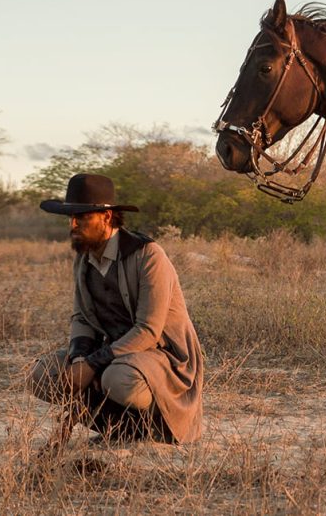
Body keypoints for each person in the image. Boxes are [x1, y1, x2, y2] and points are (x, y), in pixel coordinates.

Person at [29, 173, 203, 449]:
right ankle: (118, 429)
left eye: (82, 217)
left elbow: (148, 330)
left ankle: (151, 429)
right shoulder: (83, 258)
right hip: (111, 355)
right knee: (42, 375)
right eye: (71, 217)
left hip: (164, 358)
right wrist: (78, 359)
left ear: (107, 217)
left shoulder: (148, 255)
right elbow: (81, 318)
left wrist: (91, 366)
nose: (73, 225)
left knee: (120, 380)